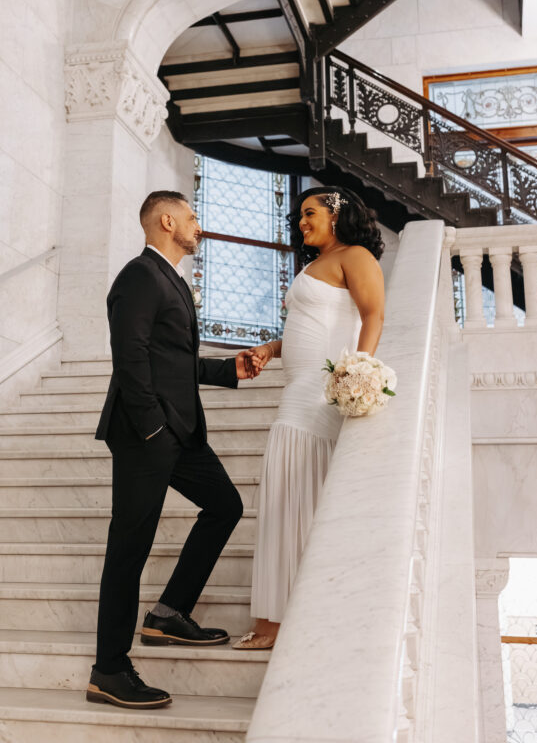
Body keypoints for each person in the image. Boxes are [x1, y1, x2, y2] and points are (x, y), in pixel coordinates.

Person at [87, 190, 263, 709]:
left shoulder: (171, 279)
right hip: (149, 434)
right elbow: (130, 356)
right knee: (129, 550)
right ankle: (109, 670)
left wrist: (226, 368)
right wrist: (151, 431)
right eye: (191, 216)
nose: (197, 225)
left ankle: (168, 614)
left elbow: (172, 360)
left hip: (179, 433)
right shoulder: (139, 275)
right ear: (168, 221)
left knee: (225, 505)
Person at [233, 187, 385, 650]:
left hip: (322, 396)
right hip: (297, 389)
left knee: (300, 496)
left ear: (337, 214)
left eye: (310, 213)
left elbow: (373, 314)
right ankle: (275, 620)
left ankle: (289, 621)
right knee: (283, 496)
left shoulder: (355, 256)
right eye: (300, 215)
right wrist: (270, 348)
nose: (302, 221)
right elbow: (310, 328)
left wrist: (359, 371)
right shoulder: (315, 264)